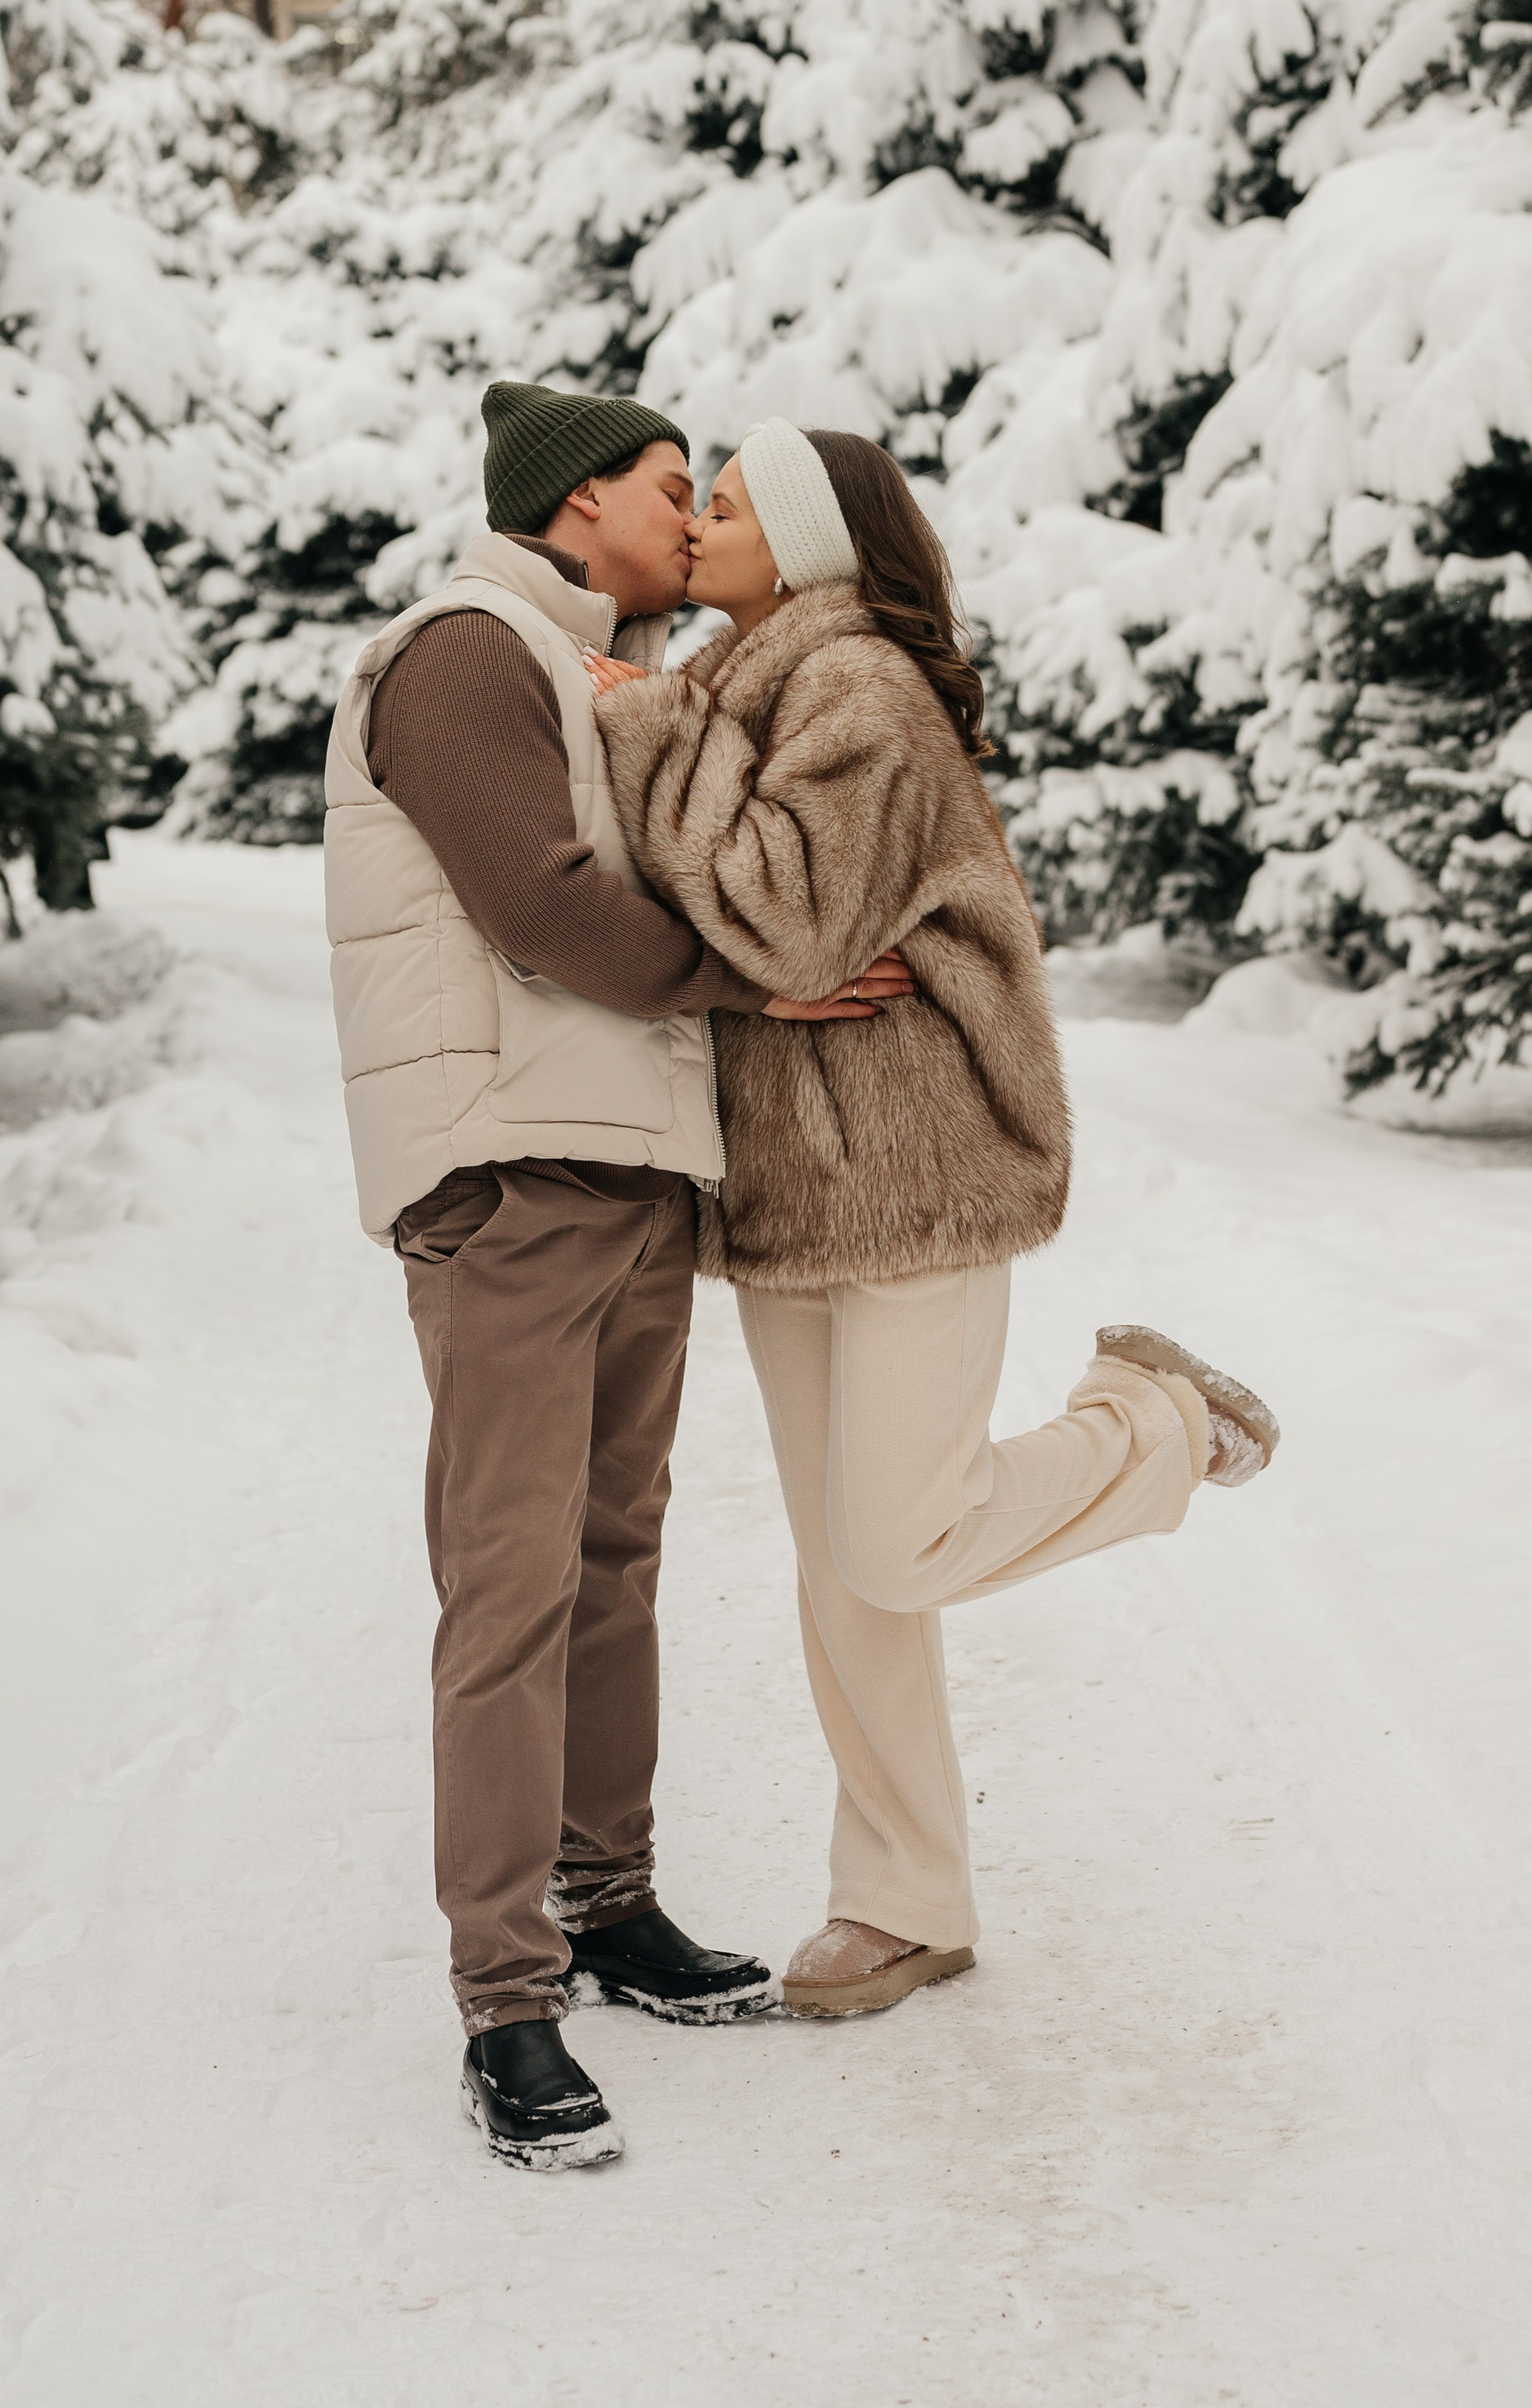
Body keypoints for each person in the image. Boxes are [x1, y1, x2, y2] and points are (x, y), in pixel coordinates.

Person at [587, 420, 1279, 2019]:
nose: (698, 522)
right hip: (780, 1190)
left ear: (818, 546)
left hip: (913, 1173)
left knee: (897, 1535)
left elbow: (786, 914)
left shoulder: (860, 694)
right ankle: (902, 1900)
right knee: (846, 1567)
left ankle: (1157, 1418)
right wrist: (656, 727)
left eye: (736, 505)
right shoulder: (725, 691)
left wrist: (647, 737)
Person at [323, 381, 911, 2169]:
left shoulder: (590, 670)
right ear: (577, 506)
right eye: (672, 490)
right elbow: (542, 903)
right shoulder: (457, 651)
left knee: (610, 1560)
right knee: (506, 1585)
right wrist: (756, 981)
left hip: (631, 1165)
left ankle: (608, 1902)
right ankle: (506, 1997)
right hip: (506, 1174)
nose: (690, 520)